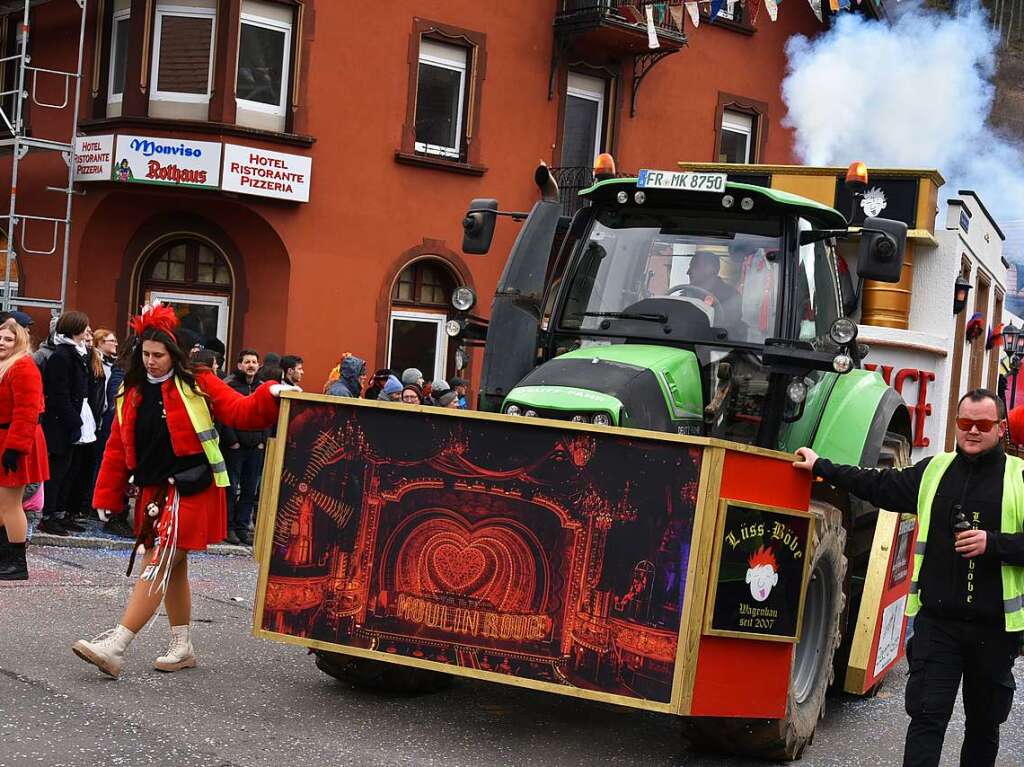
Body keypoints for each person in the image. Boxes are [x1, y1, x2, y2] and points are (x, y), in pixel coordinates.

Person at [793, 388, 1024, 767]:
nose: (973, 431)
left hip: (994, 630)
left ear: (1000, 428)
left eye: (983, 425)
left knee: (984, 727)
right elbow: (877, 485)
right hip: (938, 625)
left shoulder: (1019, 478)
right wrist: (823, 467)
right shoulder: (934, 472)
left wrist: (993, 544)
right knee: (926, 719)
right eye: (965, 423)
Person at [71, 302, 289, 679]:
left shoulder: (198, 381)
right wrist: (107, 496)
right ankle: (182, 645)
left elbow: (241, 412)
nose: (152, 361)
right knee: (172, 565)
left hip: (194, 487)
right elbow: (118, 448)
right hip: (155, 493)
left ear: (174, 355)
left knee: (158, 561)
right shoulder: (130, 389)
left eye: (159, 355)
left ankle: (116, 645)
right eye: (146, 354)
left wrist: (270, 391)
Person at [38, 311, 98, 536]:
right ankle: (48, 515)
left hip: (79, 414)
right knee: (59, 469)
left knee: (72, 468)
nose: (88, 331)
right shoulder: (61, 356)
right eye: (85, 327)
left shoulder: (78, 352)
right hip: (63, 420)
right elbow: (58, 394)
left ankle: (62, 512)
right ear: (75, 329)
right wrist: (74, 422)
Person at [0, 318, 49, 579]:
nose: (2, 342)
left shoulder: (23, 366)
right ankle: (6, 558)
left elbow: (27, 411)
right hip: (6, 438)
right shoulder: (5, 366)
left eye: (8, 339)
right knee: (2, 505)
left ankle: (16, 563)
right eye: (0, 337)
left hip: (17, 440)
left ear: (19, 341)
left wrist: (15, 448)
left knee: (11, 505)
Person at [220, 349, 267, 546]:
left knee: (249, 489)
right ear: (239, 365)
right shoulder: (230, 385)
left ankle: (242, 527)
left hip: (255, 446)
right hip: (235, 447)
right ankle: (228, 527)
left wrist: (262, 439)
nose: (251, 365)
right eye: (247, 362)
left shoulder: (262, 388)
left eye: (254, 362)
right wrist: (232, 441)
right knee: (231, 488)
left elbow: (268, 415)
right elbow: (224, 414)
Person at [93, 328, 132, 539]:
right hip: (116, 425)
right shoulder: (122, 368)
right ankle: (114, 515)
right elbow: (116, 395)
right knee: (115, 470)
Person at [687, 250, 742, 328]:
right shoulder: (687, 293)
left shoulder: (731, 297)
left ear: (710, 269)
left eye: (694, 266)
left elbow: (729, 330)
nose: (688, 272)